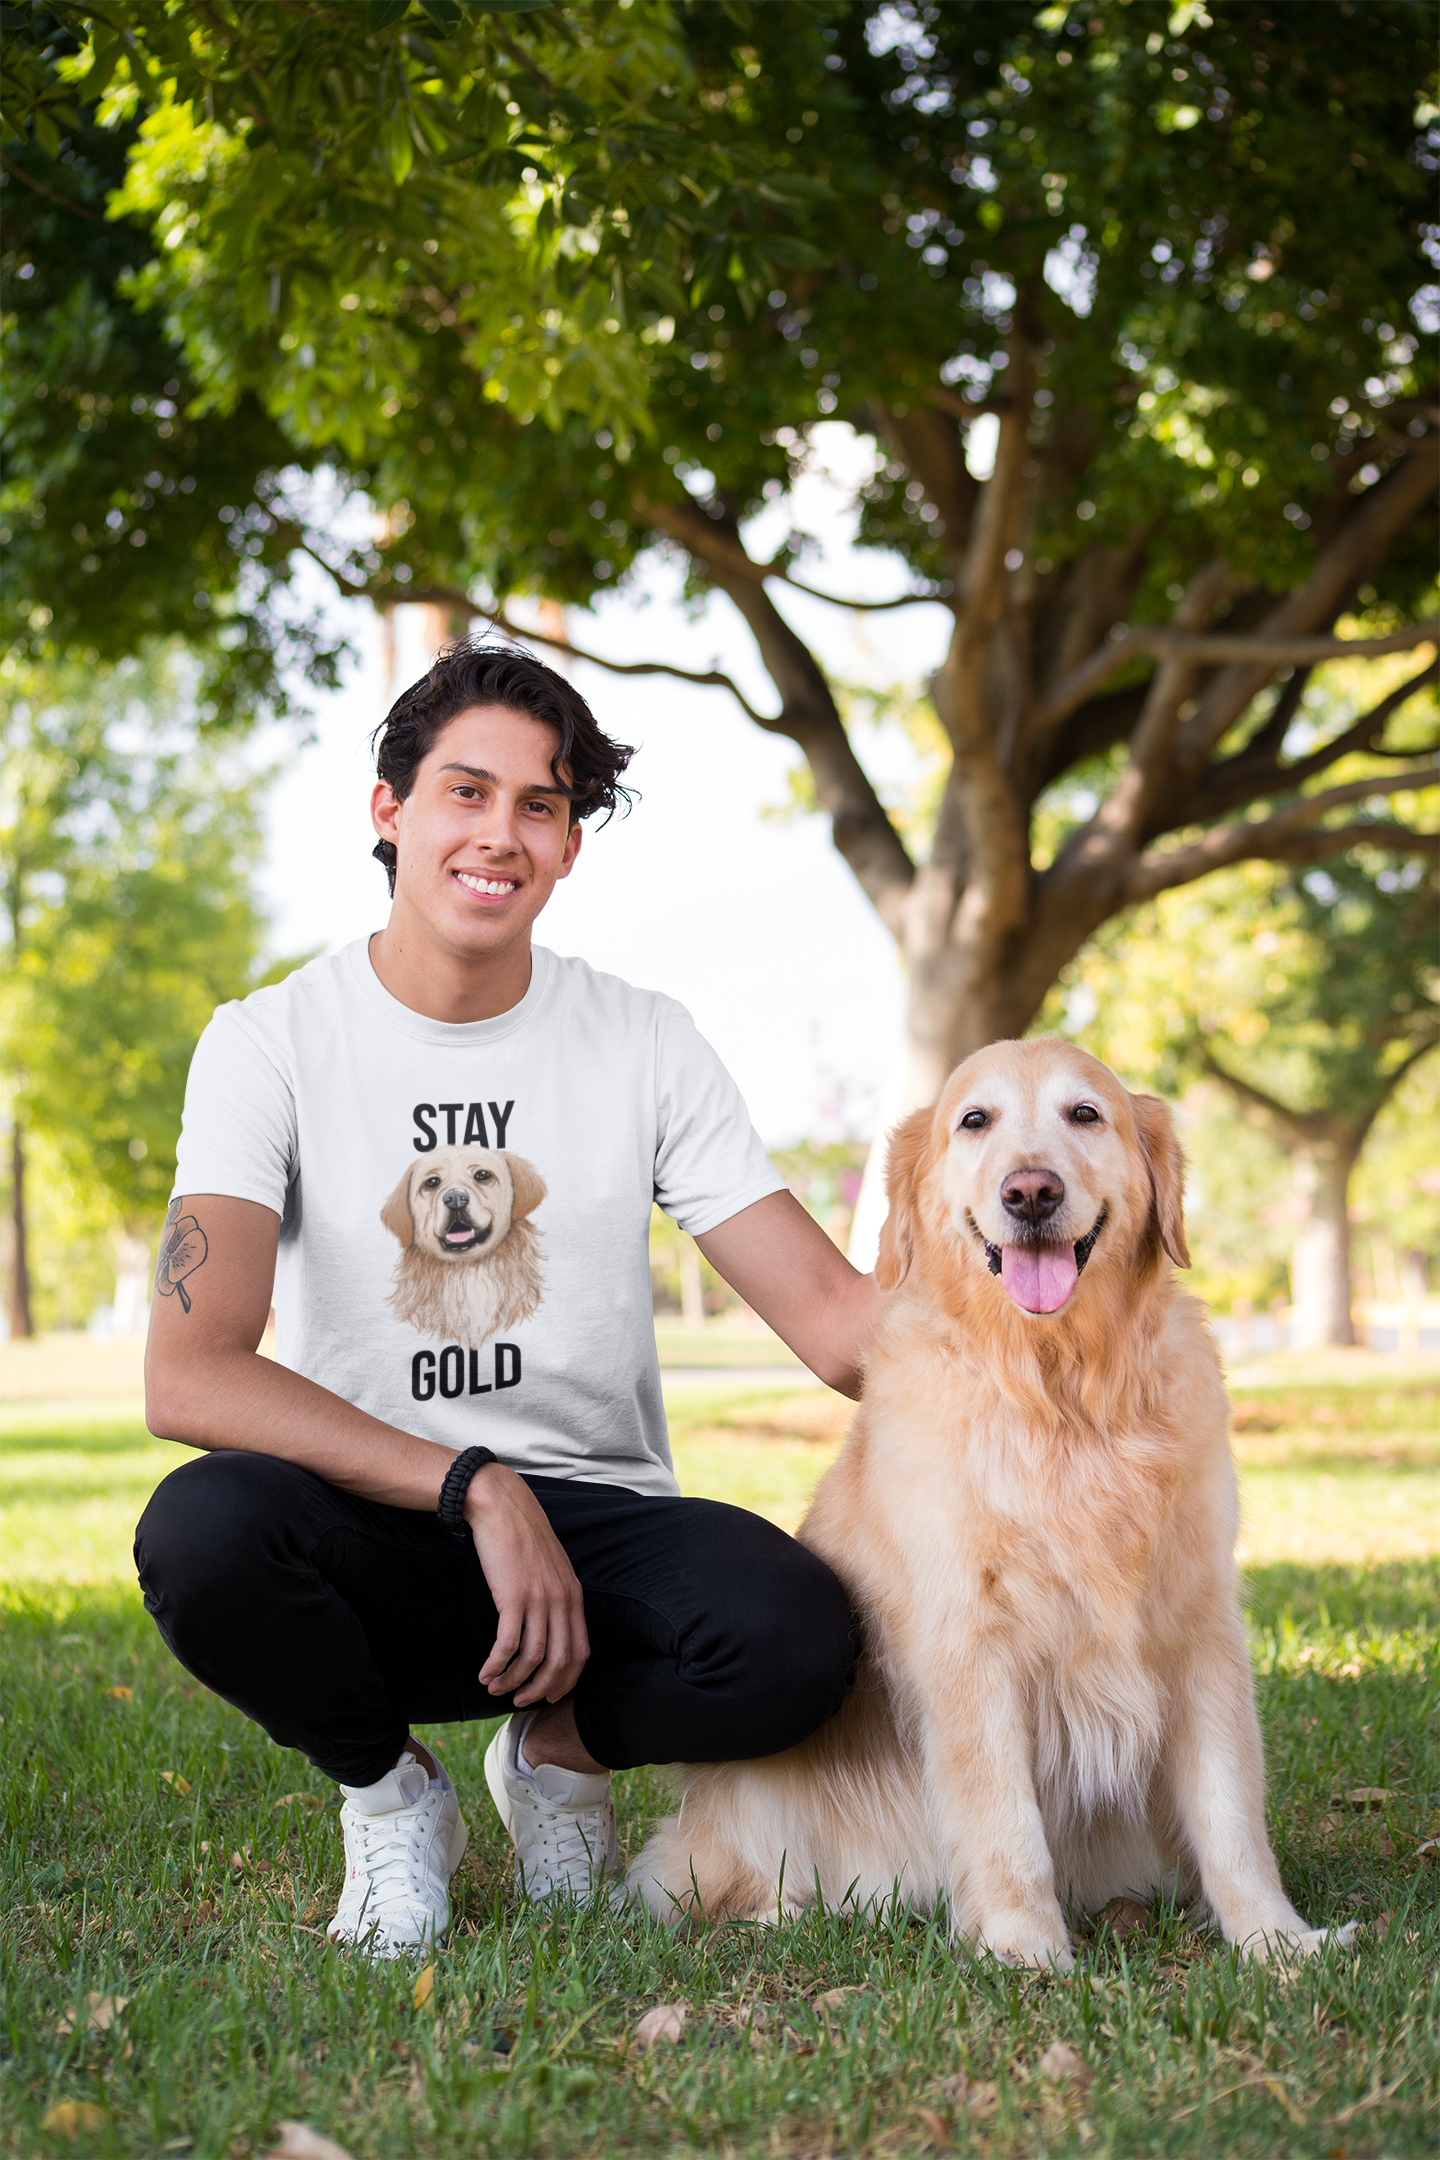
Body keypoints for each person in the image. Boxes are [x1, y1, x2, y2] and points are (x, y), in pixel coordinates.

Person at [137, 639, 881, 1956]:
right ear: (391, 810)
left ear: (572, 843)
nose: (502, 834)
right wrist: (476, 1482)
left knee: (799, 1637)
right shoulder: (268, 1042)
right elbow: (190, 1373)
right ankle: (392, 1791)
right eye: (465, 793)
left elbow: (836, 1325)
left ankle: (560, 1753)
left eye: (541, 805)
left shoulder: (644, 1039)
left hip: (597, 1545)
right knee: (204, 1532)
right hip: (380, 1518)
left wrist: (1046, 1284)